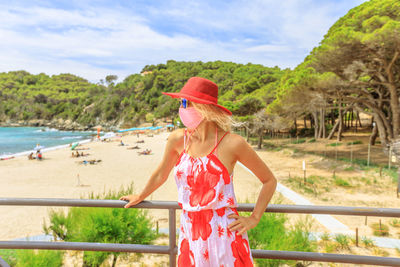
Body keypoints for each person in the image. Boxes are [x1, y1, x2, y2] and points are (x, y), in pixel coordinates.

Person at [120, 77, 277, 266]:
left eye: (185, 103)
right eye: (180, 103)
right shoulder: (178, 139)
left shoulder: (232, 143)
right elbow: (161, 173)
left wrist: (254, 218)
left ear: (205, 107)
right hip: (190, 232)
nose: (181, 108)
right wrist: (141, 195)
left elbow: (269, 180)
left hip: (223, 234)